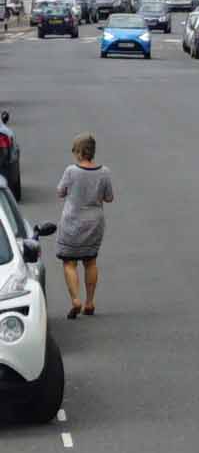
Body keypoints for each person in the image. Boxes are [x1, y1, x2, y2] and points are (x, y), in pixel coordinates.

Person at [56, 133, 113, 319]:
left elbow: (60, 192)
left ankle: (76, 300)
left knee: (69, 262)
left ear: (79, 152)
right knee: (90, 262)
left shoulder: (71, 171)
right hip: (94, 222)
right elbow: (109, 197)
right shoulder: (104, 172)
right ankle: (89, 302)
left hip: (72, 222)